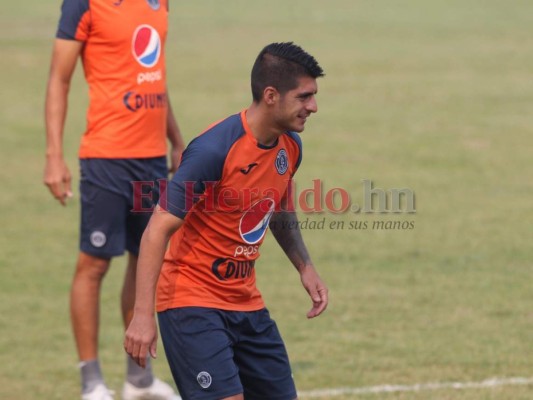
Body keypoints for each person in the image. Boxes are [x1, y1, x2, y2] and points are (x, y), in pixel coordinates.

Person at [124, 42, 329, 400]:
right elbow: (157, 229)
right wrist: (142, 315)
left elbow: (278, 206)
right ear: (270, 95)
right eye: (304, 97)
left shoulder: (290, 147)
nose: (313, 106)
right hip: (191, 301)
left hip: (245, 301)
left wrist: (305, 266)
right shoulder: (214, 150)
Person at [43, 0, 184, 399]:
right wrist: (54, 155)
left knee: (147, 260)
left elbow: (152, 76)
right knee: (94, 263)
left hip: (153, 158)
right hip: (106, 158)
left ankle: (138, 378)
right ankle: (91, 382)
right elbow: (59, 79)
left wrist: (175, 138)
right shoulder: (83, 4)